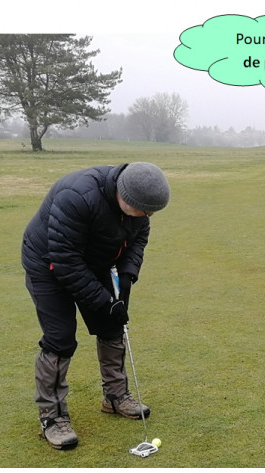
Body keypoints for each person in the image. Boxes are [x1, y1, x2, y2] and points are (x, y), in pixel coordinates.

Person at [21, 162, 170, 450]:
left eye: (150, 212)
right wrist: (104, 301)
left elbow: (138, 239)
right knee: (60, 338)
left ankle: (115, 397)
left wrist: (127, 275)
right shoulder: (76, 196)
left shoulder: (139, 208)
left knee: (113, 324)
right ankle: (52, 417)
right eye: (143, 210)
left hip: (94, 261)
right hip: (48, 264)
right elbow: (66, 262)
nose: (147, 216)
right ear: (123, 195)